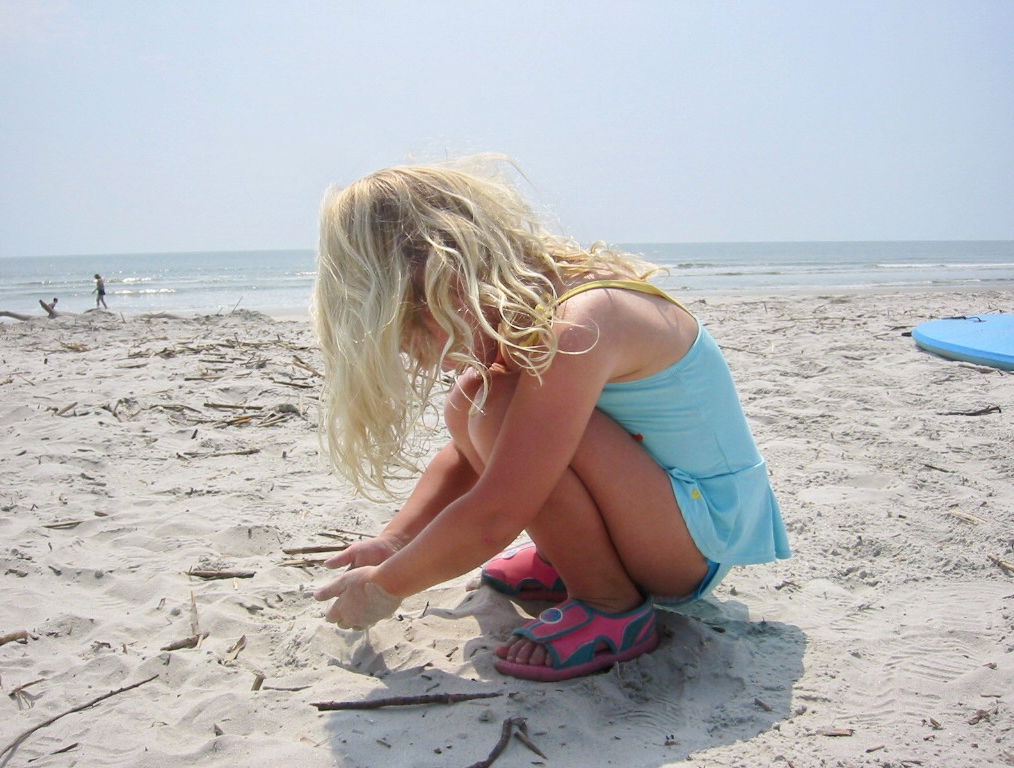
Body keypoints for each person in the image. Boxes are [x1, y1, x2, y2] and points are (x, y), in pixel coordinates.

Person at [311, 156, 790, 682]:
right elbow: (466, 459)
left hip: (699, 539)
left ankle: (610, 604)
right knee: (475, 399)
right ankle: (574, 557)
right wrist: (397, 541)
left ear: (446, 282)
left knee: (490, 407)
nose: (425, 357)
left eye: (415, 333)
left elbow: (497, 511)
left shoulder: (584, 321)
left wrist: (385, 587)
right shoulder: (532, 309)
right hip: (670, 517)